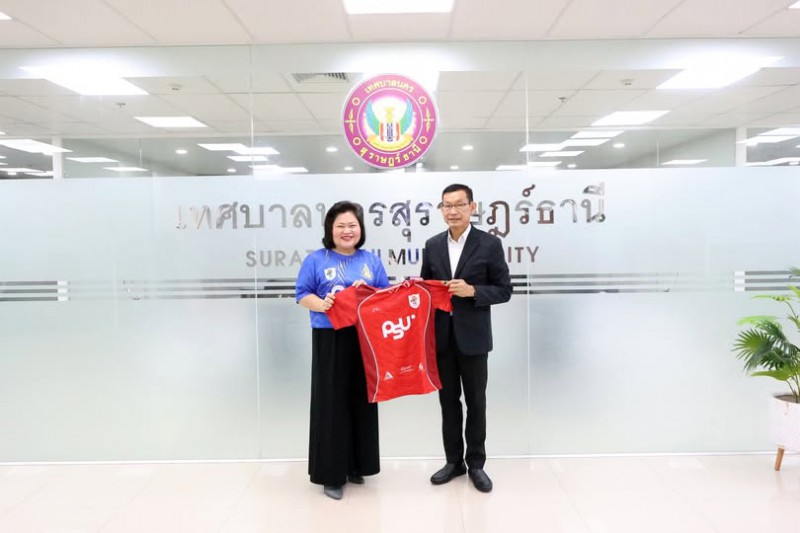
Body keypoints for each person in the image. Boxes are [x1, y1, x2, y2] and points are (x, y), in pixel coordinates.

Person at [420, 183, 512, 493]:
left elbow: (504, 290)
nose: (453, 211)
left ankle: (476, 464)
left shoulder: (489, 244)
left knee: (476, 402)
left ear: (472, 207)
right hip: (441, 339)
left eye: (459, 204)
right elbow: (426, 289)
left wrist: (473, 291)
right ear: (441, 209)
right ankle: (453, 462)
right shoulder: (432, 245)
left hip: (473, 339)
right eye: (447, 205)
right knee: (448, 403)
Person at [295, 201, 390, 500]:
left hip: (364, 337)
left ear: (360, 229)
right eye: (341, 226)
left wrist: (368, 292)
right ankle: (331, 474)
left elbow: (385, 297)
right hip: (330, 336)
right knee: (331, 403)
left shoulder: (371, 261)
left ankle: (357, 465)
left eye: (352, 225)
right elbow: (302, 294)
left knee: (362, 401)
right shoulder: (316, 260)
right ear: (330, 230)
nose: (347, 231)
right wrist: (322, 304)